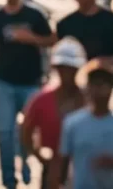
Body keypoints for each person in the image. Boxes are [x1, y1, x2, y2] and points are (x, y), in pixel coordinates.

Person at [0, 0, 55, 189]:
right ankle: (8, 179)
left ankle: (25, 162)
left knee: (29, 130)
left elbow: (52, 40)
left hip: (31, 82)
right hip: (3, 82)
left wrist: (31, 38)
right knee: (5, 132)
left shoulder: (35, 16)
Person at [59, 61, 113, 189]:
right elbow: (62, 163)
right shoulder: (72, 123)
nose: (97, 89)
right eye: (93, 84)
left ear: (112, 88)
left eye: (102, 84)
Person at [21, 38, 87, 189]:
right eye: (63, 68)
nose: (67, 73)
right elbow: (26, 131)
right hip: (52, 167)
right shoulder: (41, 100)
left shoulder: (89, 100)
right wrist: (40, 156)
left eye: (71, 68)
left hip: (83, 169)